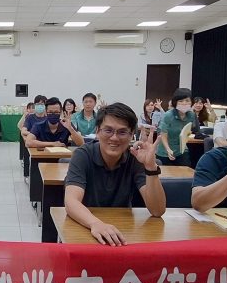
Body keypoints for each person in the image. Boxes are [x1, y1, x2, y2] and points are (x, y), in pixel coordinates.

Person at [64, 102, 167, 246]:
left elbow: (157, 211)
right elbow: (71, 201)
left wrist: (150, 167)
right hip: (85, 226)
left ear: (132, 135)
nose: (114, 138)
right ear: (97, 131)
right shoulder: (83, 155)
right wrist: (96, 224)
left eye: (122, 132)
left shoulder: (134, 157)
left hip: (123, 231)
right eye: (108, 130)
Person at [155, 88, 196, 166]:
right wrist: (168, 149)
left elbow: (187, 131)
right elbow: (163, 134)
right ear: (175, 102)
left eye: (187, 100)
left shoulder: (191, 115)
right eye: (181, 101)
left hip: (181, 150)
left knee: (186, 170)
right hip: (165, 151)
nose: (184, 103)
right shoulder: (168, 115)